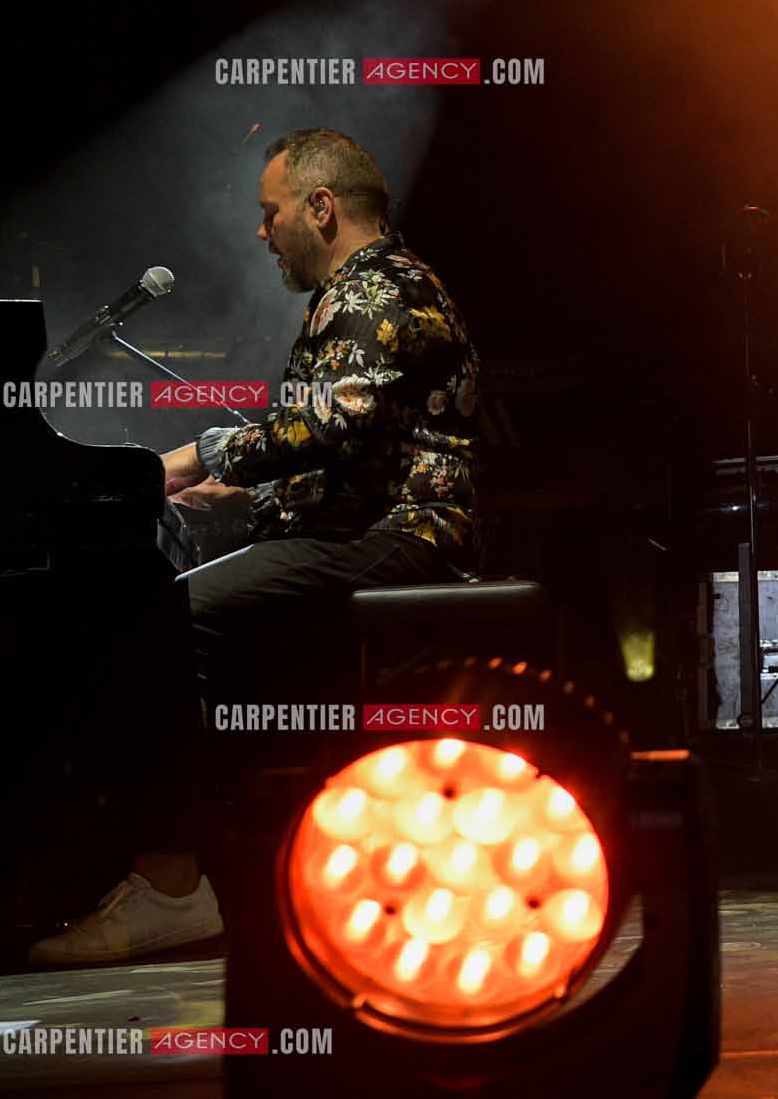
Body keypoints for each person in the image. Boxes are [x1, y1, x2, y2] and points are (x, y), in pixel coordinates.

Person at [29, 127, 481, 964]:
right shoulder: (363, 288)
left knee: (169, 618)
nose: (261, 231)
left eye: (270, 212)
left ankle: (171, 884)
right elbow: (346, 450)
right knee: (167, 602)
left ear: (321, 207)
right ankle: (229, 857)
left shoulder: (377, 291)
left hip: (400, 534)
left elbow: (330, 424)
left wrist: (196, 458)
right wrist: (238, 499)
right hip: (357, 524)